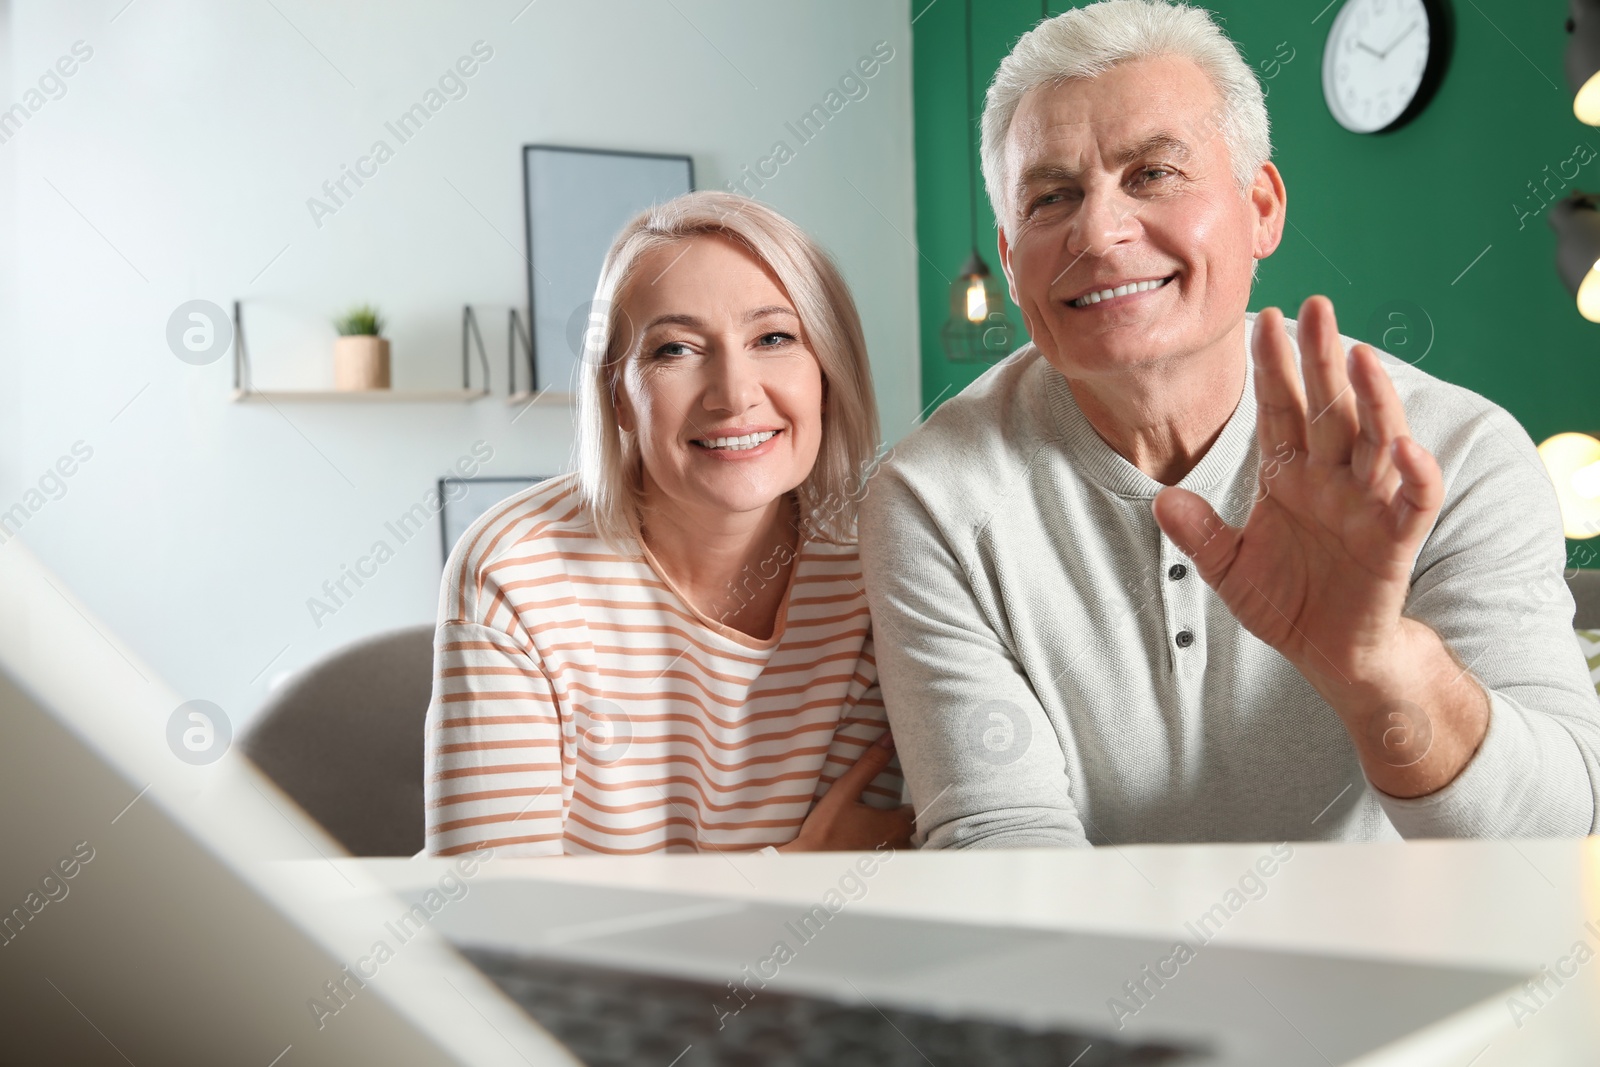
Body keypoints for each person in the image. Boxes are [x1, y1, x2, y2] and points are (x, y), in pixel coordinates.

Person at [858, 0, 1600, 848]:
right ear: (1011, 256)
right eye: (1052, 196)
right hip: (1088, 979)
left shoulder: (1455, 453)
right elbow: (1000, 840)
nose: (1098, 231)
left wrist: (1381, 668)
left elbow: (1555, 834)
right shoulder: (932, 497)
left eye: (1153, 173)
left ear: (1262, 207)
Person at [424, 191, 911, 856]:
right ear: (617, 394)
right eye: (676, 349)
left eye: (773, 338)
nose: (735, 393)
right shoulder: (517, 568)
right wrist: (793, 873)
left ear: (827, 369)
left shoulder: (884, 561)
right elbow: (494, 919)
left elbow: (867, 911)